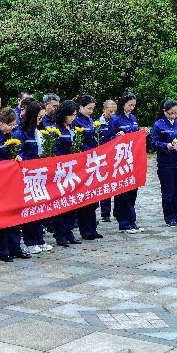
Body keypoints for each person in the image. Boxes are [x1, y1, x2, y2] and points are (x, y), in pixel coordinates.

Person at [0, 108, 31, 262]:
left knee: (15, 215)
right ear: (0, 122)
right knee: (2, 217)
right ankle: (3, 250)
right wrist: (6, 164)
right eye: (9, 125)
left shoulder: (11, 135)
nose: (11, 128)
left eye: (13, 125)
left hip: (12, 181)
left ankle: (16, 247)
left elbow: (20, 151)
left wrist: (18, 157)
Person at [12, 101, 54, 255]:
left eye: (42, 117)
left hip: (40, 175)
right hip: (27, 175)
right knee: (30, 209)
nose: (40, 120)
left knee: (40, 208)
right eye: (38, 117)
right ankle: (30, 241)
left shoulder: (40, 131)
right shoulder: (20, 132)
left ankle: (39, 239)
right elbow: (17, 153)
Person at [150, 99, 177, 227]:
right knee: (168, 191)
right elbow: (153, 143)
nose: (173, 115)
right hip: (166, 163)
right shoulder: (158, 125)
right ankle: (169, 218)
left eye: (175, 113)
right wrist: (165, 145)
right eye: (170, 113)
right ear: (164, 111)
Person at [109, 92, 145, 234]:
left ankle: (131, 220)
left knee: (132, 191)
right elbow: (108, 138)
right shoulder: (115, 119)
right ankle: (123, 222)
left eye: (134, 105)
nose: (132, 108)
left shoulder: (134, 118)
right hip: (120, 160)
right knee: (123, 192)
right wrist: (116, 136)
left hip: (133, 159)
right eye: (130, 105)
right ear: (123, 104)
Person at [50, 100, 82, 247]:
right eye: (71, 115)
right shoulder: (55, 129)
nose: (73, 118)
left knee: (72, 203)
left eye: (75, 115)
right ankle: (60, 233)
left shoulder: (74, 128)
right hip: (60, 170)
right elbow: (53, 149)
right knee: (61, 203)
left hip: (73, 170)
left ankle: (69, 231)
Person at [73, 95, 103, 240]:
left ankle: (92, 228)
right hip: (83, 161)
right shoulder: (76, 121)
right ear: (81, 107)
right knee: (84, 198)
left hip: (93, 161)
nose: (91, 111)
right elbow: (77, 142)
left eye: (92, 108)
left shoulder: (90, 120)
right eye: (88, 108)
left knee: (93, 198)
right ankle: (85, 230)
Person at [98, 99, 117, 222]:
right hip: (102, 157)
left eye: (115, 111)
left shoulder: (116, 122)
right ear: (104, 110)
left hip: (115, 156)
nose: (113, 114)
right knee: (105, 184)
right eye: (110, 111)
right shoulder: (97, 123)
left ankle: (118, 211)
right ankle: (105, 213)